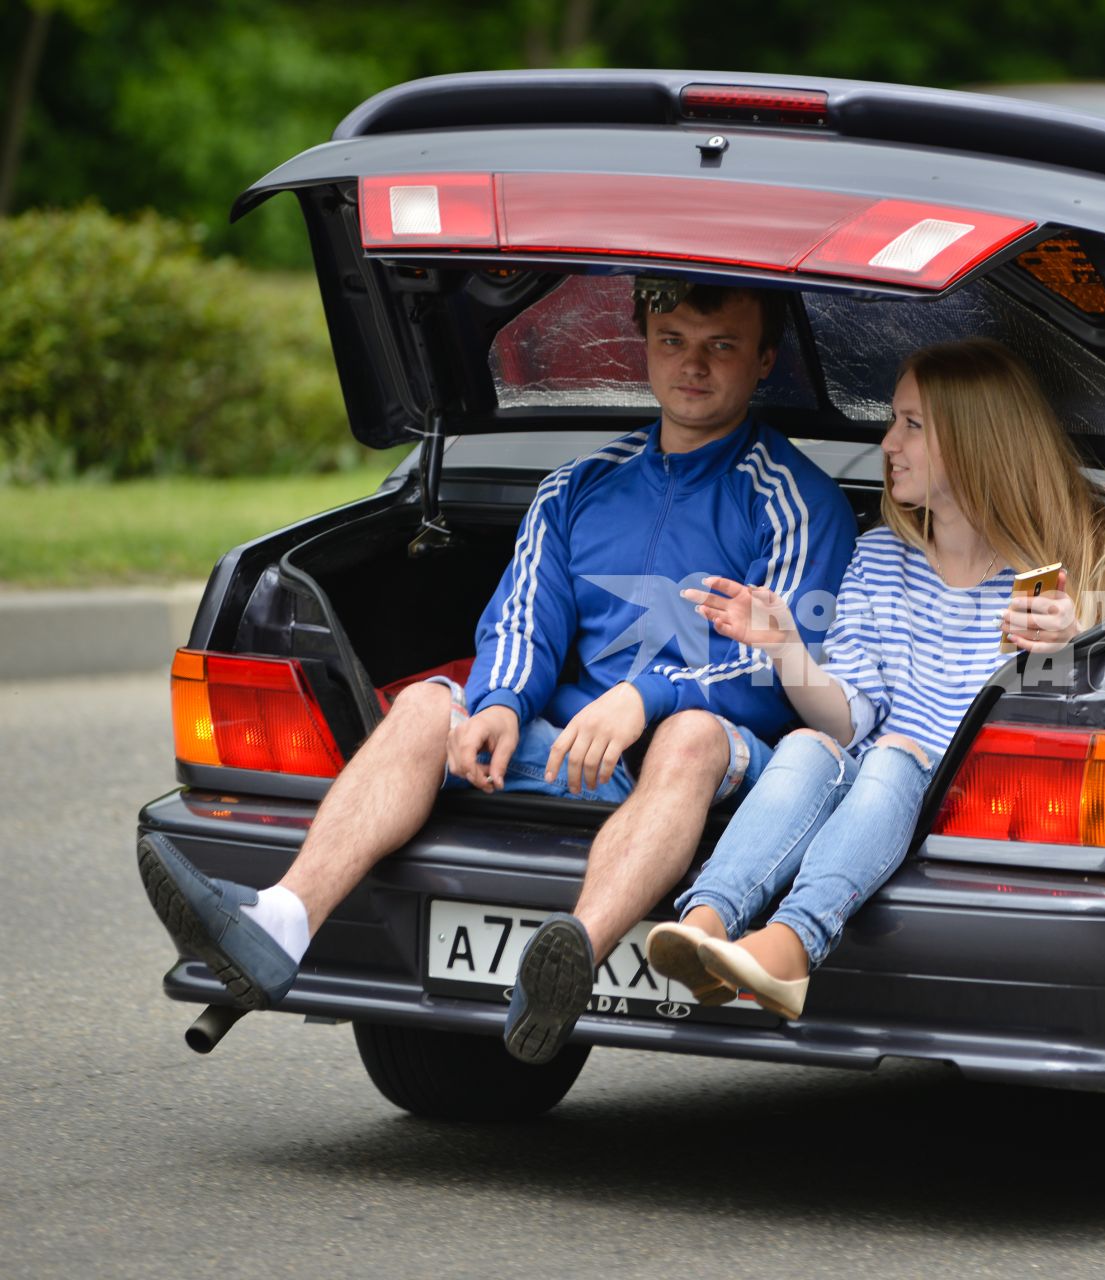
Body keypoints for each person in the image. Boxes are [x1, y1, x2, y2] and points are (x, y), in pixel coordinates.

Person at [139, 282, 858, 1064]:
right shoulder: (578, 487)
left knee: (687, 735)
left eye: (720, 345)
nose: (692, 365)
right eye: (672, 339)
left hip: (710, 756)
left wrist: (644, 697)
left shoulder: (796, 501)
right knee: (422, 707)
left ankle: (570, 960)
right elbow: (522, 617)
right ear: (642, 344)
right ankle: (280, 921)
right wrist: (503, 702)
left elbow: (777, 665)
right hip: (567, 745)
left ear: (762, 361)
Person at [643, 337, 1105, 1019]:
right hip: (872, 781)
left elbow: (1052, 710)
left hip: (956, 792)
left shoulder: (1040, 571)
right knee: (806, 746)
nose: (888, 442)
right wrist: (786, 647)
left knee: (893, 754)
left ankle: (792, 945)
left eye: (911, 425)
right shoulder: (881, 554)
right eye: (894, 420)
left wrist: (1068, 642)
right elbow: (848, 720)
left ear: (975, 443)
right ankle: (706, 926)